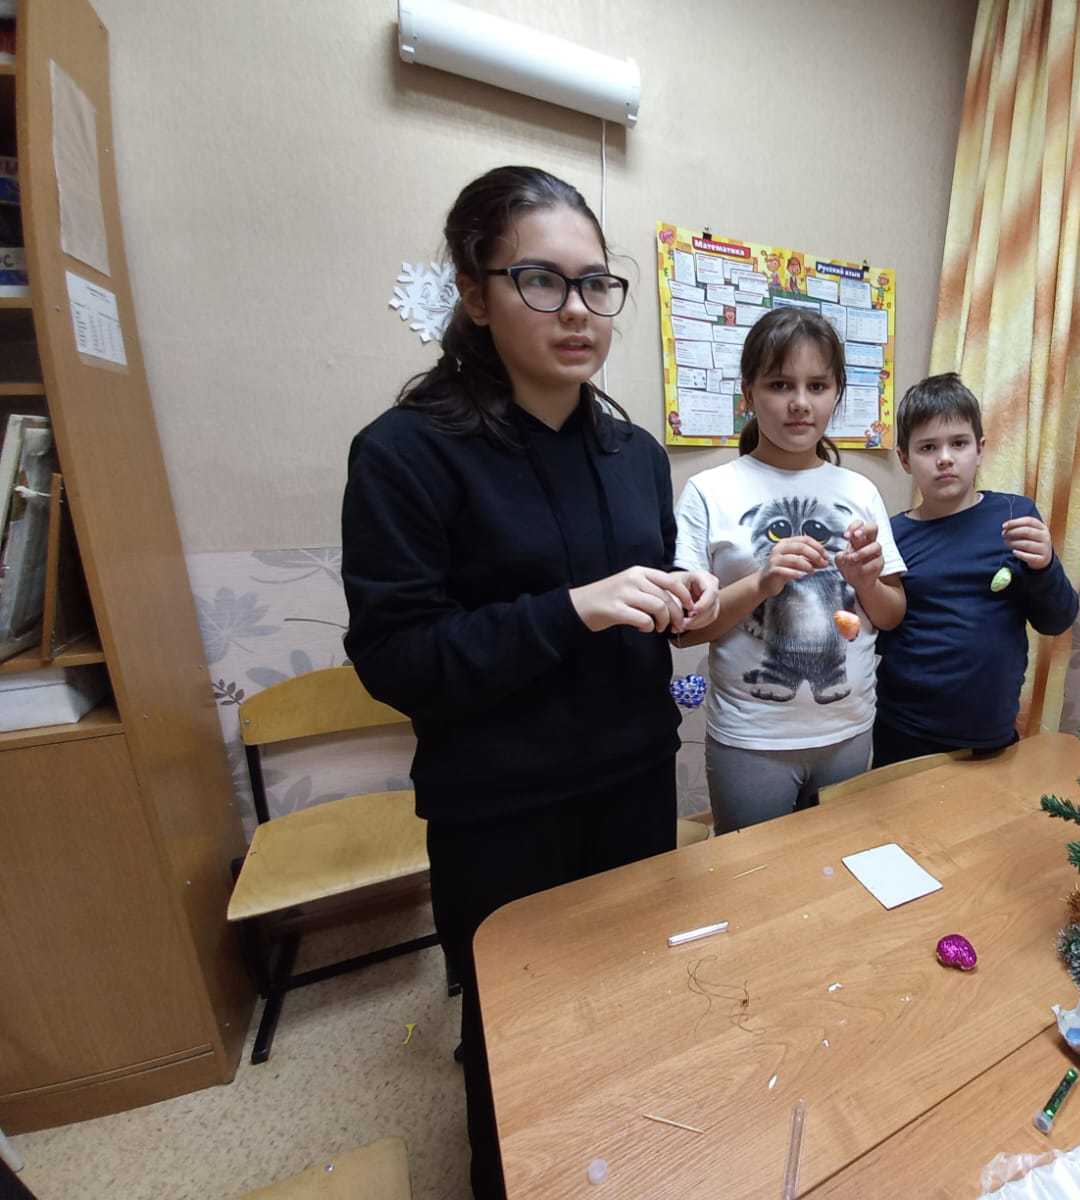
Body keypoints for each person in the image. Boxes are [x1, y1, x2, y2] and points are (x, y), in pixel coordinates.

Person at [340, 166, 719, 1200]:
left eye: (597, 284)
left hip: (633, 778)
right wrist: (571, 608)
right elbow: (396, 658)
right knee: (516, 1044)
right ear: (475, 293)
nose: (578, 311)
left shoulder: (634, 453)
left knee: (632, 1010)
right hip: (502, 808)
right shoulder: (405, 454)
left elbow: (636, 597)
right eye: (541, 281)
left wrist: (676, 598)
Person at [673, 307, 906, 832]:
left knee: (839, 864)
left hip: (849, 728)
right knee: (752, 873)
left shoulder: (860, 491)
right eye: (780, 384)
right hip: (751, 739)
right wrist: (762, 582)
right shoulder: (709, 492)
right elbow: (685, 631)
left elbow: (891, 616)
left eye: (817, 386)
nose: (800, 403)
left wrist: (867, 583)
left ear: (836, 393)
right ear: (748, 394)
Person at [874, 372, 1078, 766]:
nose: (945, 458)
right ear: (905, 459)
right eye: (928, 447)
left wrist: (1045, 565)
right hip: (904, 730)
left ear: (980, 448)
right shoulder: (893, 534)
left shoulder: (1016, 515)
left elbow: (1056, 620)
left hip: (991, 734)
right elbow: (881, 632)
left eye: (959, 443)